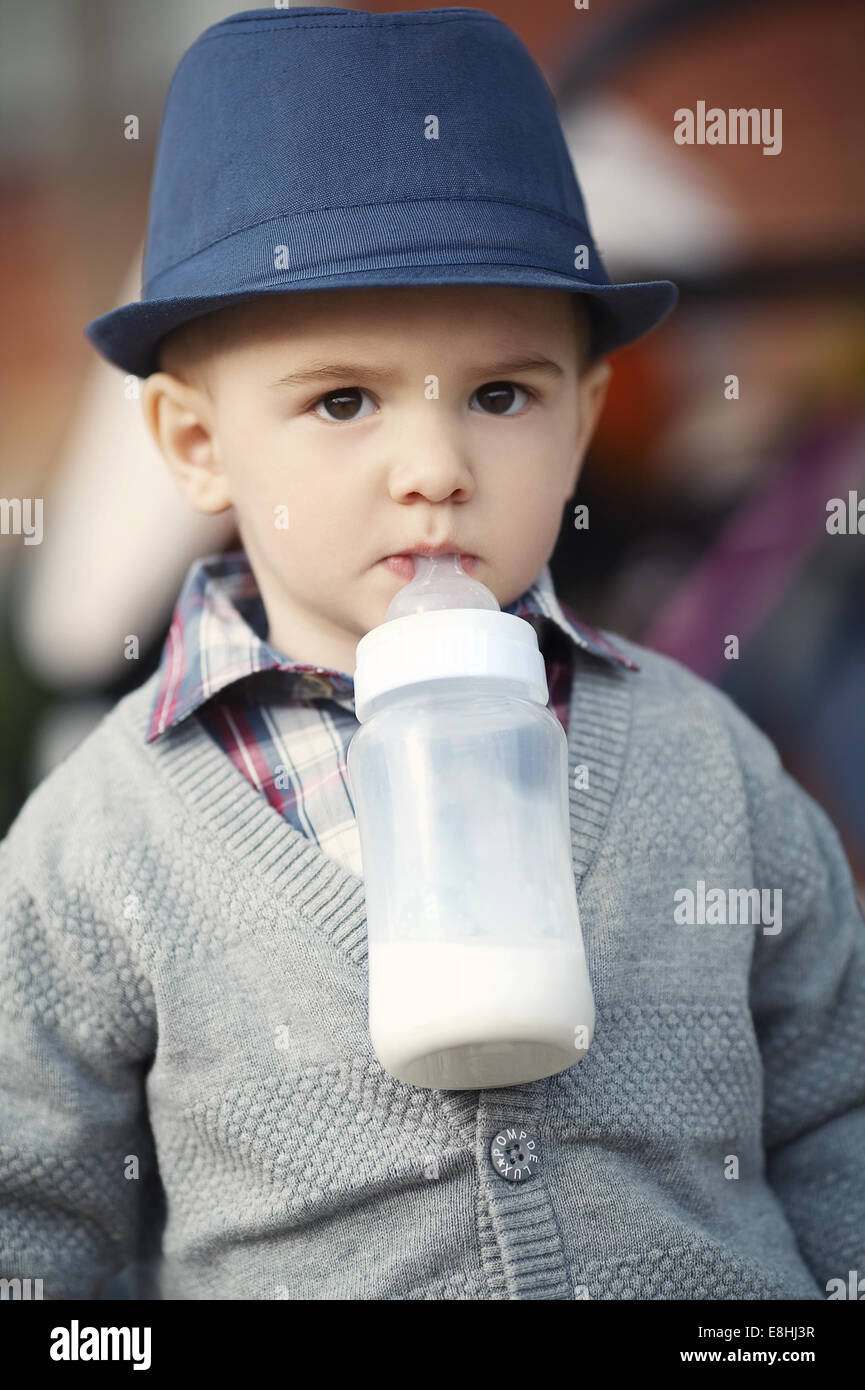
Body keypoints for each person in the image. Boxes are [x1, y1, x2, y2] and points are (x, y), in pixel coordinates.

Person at [1, 6, 862, 1302]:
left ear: (584, 418)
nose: (435, 470)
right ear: (194, 445)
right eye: (342, 400)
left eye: (500, 394)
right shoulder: (102, 842)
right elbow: (39, 1217)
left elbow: (832, 1114)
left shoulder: (705, 761)